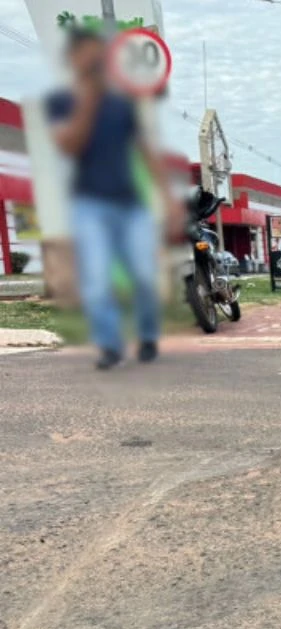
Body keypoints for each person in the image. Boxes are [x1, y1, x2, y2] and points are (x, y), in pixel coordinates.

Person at [48, 28, 180, 371]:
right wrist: (88, 101)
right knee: (95, 280)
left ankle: (147, 334)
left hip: (130, 204)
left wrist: (169, 198)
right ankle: (109, 345)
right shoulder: (61, 102)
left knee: (144, 274)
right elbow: (70, 145)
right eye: (88, 58)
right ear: (74, 60)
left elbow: (146, 152)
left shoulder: (122, 106)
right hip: (88, 204)